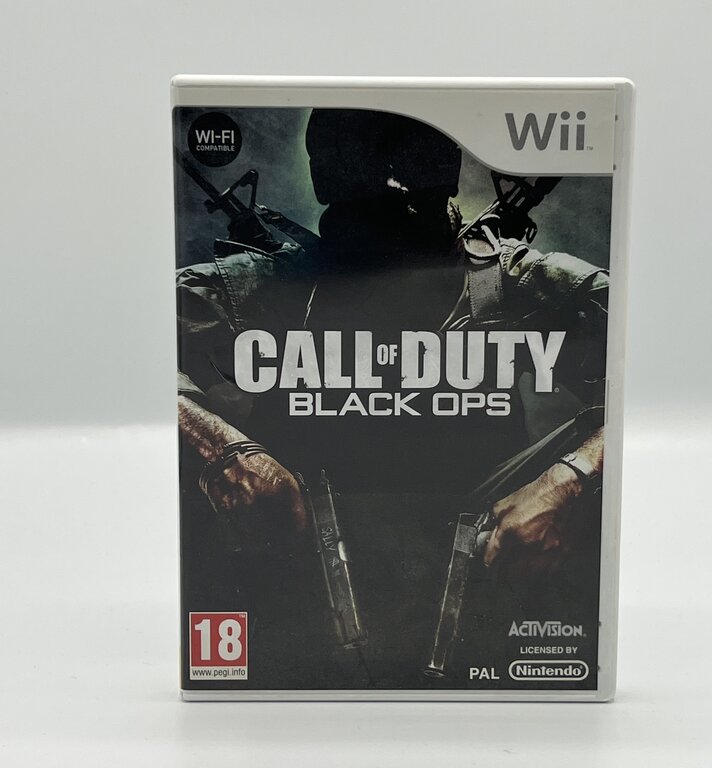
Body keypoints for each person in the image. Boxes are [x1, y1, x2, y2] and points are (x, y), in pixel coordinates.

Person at [176, 108, 608, 686]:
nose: (390, 199)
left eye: (406, 194)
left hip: (488, 612)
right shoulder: (268, 285)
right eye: (364, 207)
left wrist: (570, 481)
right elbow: (123, 362)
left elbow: (665, 384)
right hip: (298, 614)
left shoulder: (515, 284)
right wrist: (223, 456)